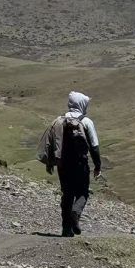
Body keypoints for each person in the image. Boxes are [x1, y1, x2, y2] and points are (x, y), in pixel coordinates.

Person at [41, 91, 101, 237]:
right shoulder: (86, 122)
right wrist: (97, 166)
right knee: (82, 192)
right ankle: (76, 213)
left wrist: (50, 163)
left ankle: (66, 229)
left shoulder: (58, 121)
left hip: (63, 165)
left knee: (67, 194)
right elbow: (94, 146)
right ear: (81, 105)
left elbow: (50, 143)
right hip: (80, 164)